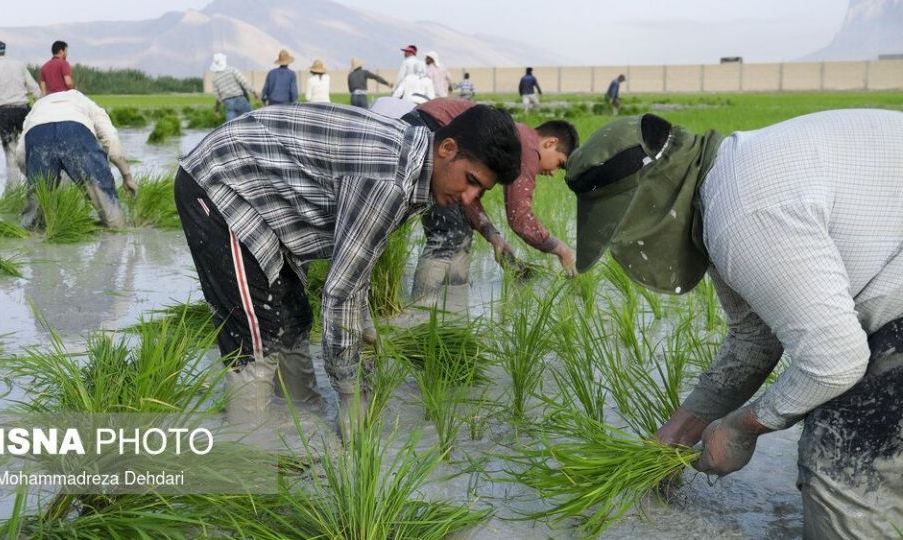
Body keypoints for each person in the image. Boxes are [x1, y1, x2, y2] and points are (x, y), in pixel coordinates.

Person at [563, 110, 903, 539]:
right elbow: (753, 341)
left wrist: (743, 428)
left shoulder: (742, 213)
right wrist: (679, 431)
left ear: (653, 201)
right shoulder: (726, 183)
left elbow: (836, 362)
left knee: (841, 466)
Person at [174, 103, 521, 435]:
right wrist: (351, 391)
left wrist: (364, 333)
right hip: (220, 181)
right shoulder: (390, 178)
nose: (468, 197)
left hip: (266, 198)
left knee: (294, 316)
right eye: (470, 179)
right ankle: (248, 445)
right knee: (255, 335)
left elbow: (357, 263)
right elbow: (341, 291)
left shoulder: (416, 166)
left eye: (481, 190)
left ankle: (300, 421)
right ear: (447, 148)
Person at [390, 98, 578, 300]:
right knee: (449, 234)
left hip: (419, 126)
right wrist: (562, 250)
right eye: (559, 163)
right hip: (431, 129)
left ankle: (450, 308)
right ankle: (423, 310)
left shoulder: (511, 138)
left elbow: (467, 198)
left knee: (459, 233)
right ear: (550, 143)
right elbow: (521, 219)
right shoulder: (526, 147)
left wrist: (494, 238)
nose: (553, 172)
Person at [16, 90, 136, 229]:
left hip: (38, 133)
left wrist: (33, 177)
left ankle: (30, 235)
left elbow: (20, 153)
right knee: (111, 214)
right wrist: (127, 177)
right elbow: (113, 146)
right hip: (76, 131)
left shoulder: (37, 107)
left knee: (34, 217)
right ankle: (118, 234)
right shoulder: (89, 105)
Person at [0, 39, 41, 189]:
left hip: (4, 112)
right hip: (24, 110)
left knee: (11, 152)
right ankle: (36, 184)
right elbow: (35, 89)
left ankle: (13, 189)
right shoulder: (19, 65)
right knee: (30, 148)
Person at [210, 53, 257, 122]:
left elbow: (217, 96)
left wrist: (217, 110)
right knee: (253, 121)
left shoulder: (214, 79)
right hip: (240, 99)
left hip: (228, 102)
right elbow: (244, 82)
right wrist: (254, 92)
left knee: (232, 125)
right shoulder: (232, 70)